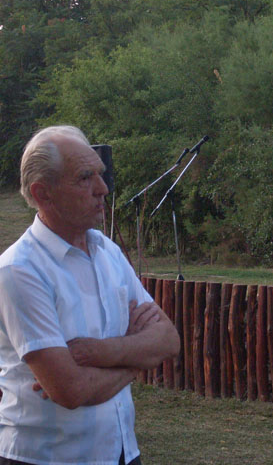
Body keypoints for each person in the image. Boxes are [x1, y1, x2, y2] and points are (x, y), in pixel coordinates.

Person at [0, 125, 181, 465]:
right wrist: (138, 356)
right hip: (47, 457)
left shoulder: (106, 251)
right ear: (43, 194)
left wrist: (98, 352)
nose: (103, 189)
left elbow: (169, 340)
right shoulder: (20, 270)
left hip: (121, 452)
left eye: (100, 174)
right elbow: (71, 391)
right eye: (85, 178)